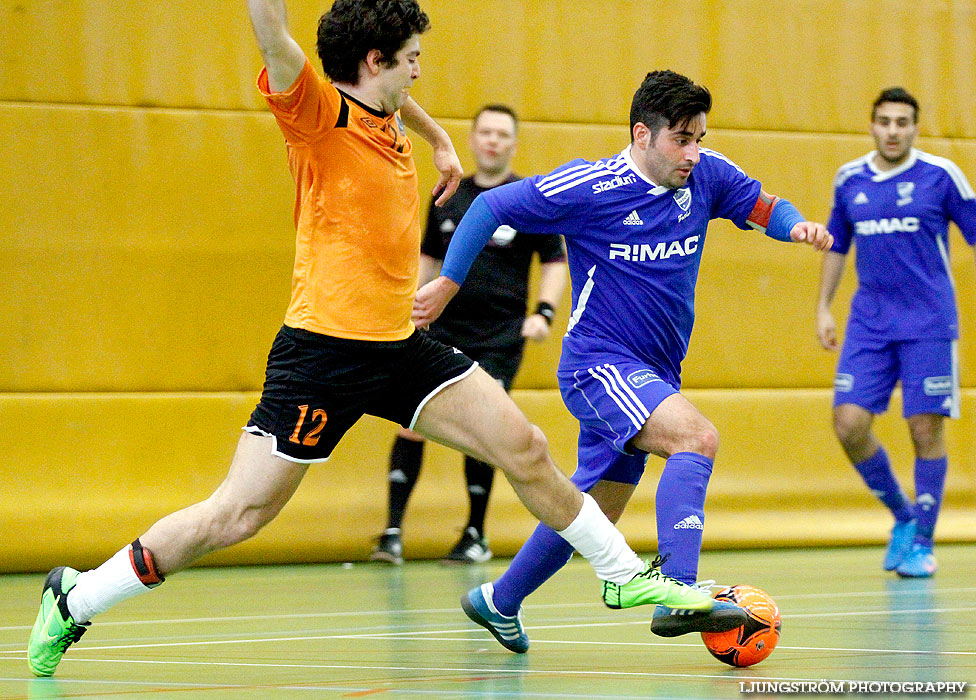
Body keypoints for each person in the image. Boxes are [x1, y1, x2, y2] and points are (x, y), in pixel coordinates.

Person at [27, 1, 726, 678]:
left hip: (400, 346)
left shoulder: (383, 104)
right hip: (321, 356)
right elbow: (272, 30)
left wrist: (437, 135)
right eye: (412, 60)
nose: (420, 71)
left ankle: (626, 578)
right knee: (236, 515)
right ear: (373, 60)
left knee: (527, 447)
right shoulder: (317, 115)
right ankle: (77, 598)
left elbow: (395, 99)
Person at [413, 69, 833, 652]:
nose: (693, 152)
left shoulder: (705, 176)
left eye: (700, 139)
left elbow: (760, 203)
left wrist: (797, 228)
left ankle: (498, 600)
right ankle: (677, 590)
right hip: (598, 365)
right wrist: (448, 284)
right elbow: (487, 208)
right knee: (696, 438)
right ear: (642, 134)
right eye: (681, 139)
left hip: (654, 373)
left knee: (591, 513)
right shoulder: (591, 187)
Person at [371, 104, 568, 566]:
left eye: (502, 134)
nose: (492, 141)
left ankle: (475, 534)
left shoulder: (527, 197)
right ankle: (392, 533)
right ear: (474, 139)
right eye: (485, 133)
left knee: (488, 427)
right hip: (442, 330)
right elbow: (429, 260)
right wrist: (407, 307)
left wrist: (543, 312)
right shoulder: (450, 195)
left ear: (513, 142)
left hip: (499, 336)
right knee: (411, 423)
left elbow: (556, 261)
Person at [815, 87, 976, 578]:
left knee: (924, 428)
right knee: (848, 424)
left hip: (929, 323)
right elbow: (837, 246)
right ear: (872, 125)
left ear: (915, 127)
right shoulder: (850, 179)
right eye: (884, 121)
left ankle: (923, 543)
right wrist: (823, 306)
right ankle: (904, 517)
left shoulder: (941, 176)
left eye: (902, 122)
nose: (892, 130)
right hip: (869, 324)